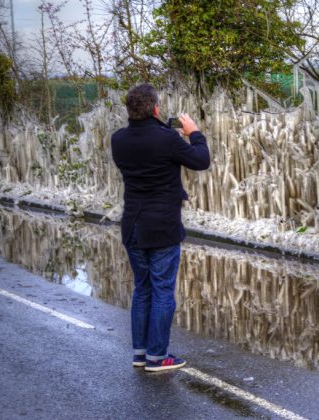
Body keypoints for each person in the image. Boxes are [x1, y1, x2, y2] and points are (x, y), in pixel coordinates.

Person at [111, 83, 210, 372]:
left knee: (142, 290)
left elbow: (147, 147)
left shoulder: (118, 139)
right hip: (162, 228)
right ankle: (158, 357)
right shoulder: (167, 140)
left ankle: (141, 353)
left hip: (132, 226)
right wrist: (194, 133)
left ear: (130, 109)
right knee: (163, 290)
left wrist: (170, 136)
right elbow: (201, 160)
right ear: (155, 108)